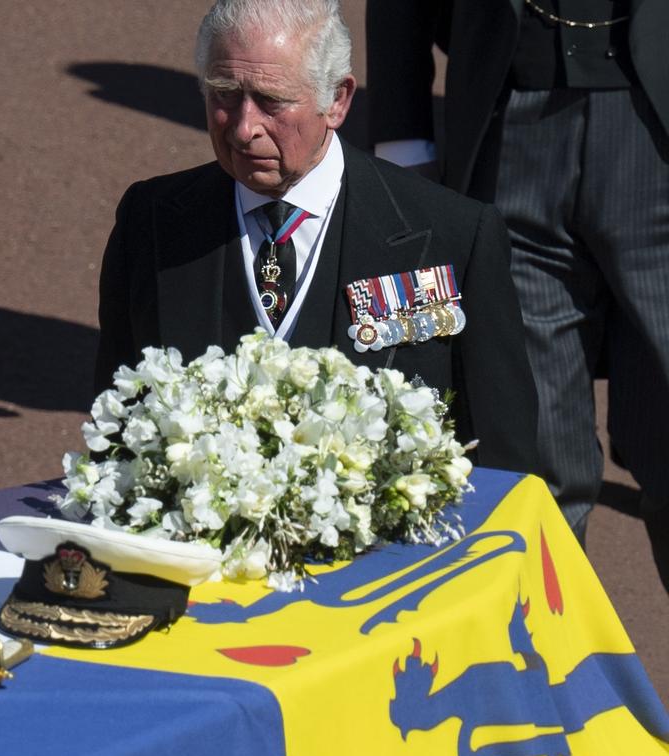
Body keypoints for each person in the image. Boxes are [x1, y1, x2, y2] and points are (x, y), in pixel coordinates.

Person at [95, 0, 540, 475]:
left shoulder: (453, 234)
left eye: (272, 100)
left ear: (338, 100)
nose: (244, 129)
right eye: (224, 94)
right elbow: (117, 429)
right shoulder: (153, 221)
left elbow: (501, 459)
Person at [365, 0, 669, 547]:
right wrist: (402, 137)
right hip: (507, 126)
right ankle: (550, 631)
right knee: (535, 461)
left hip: (656, 135)